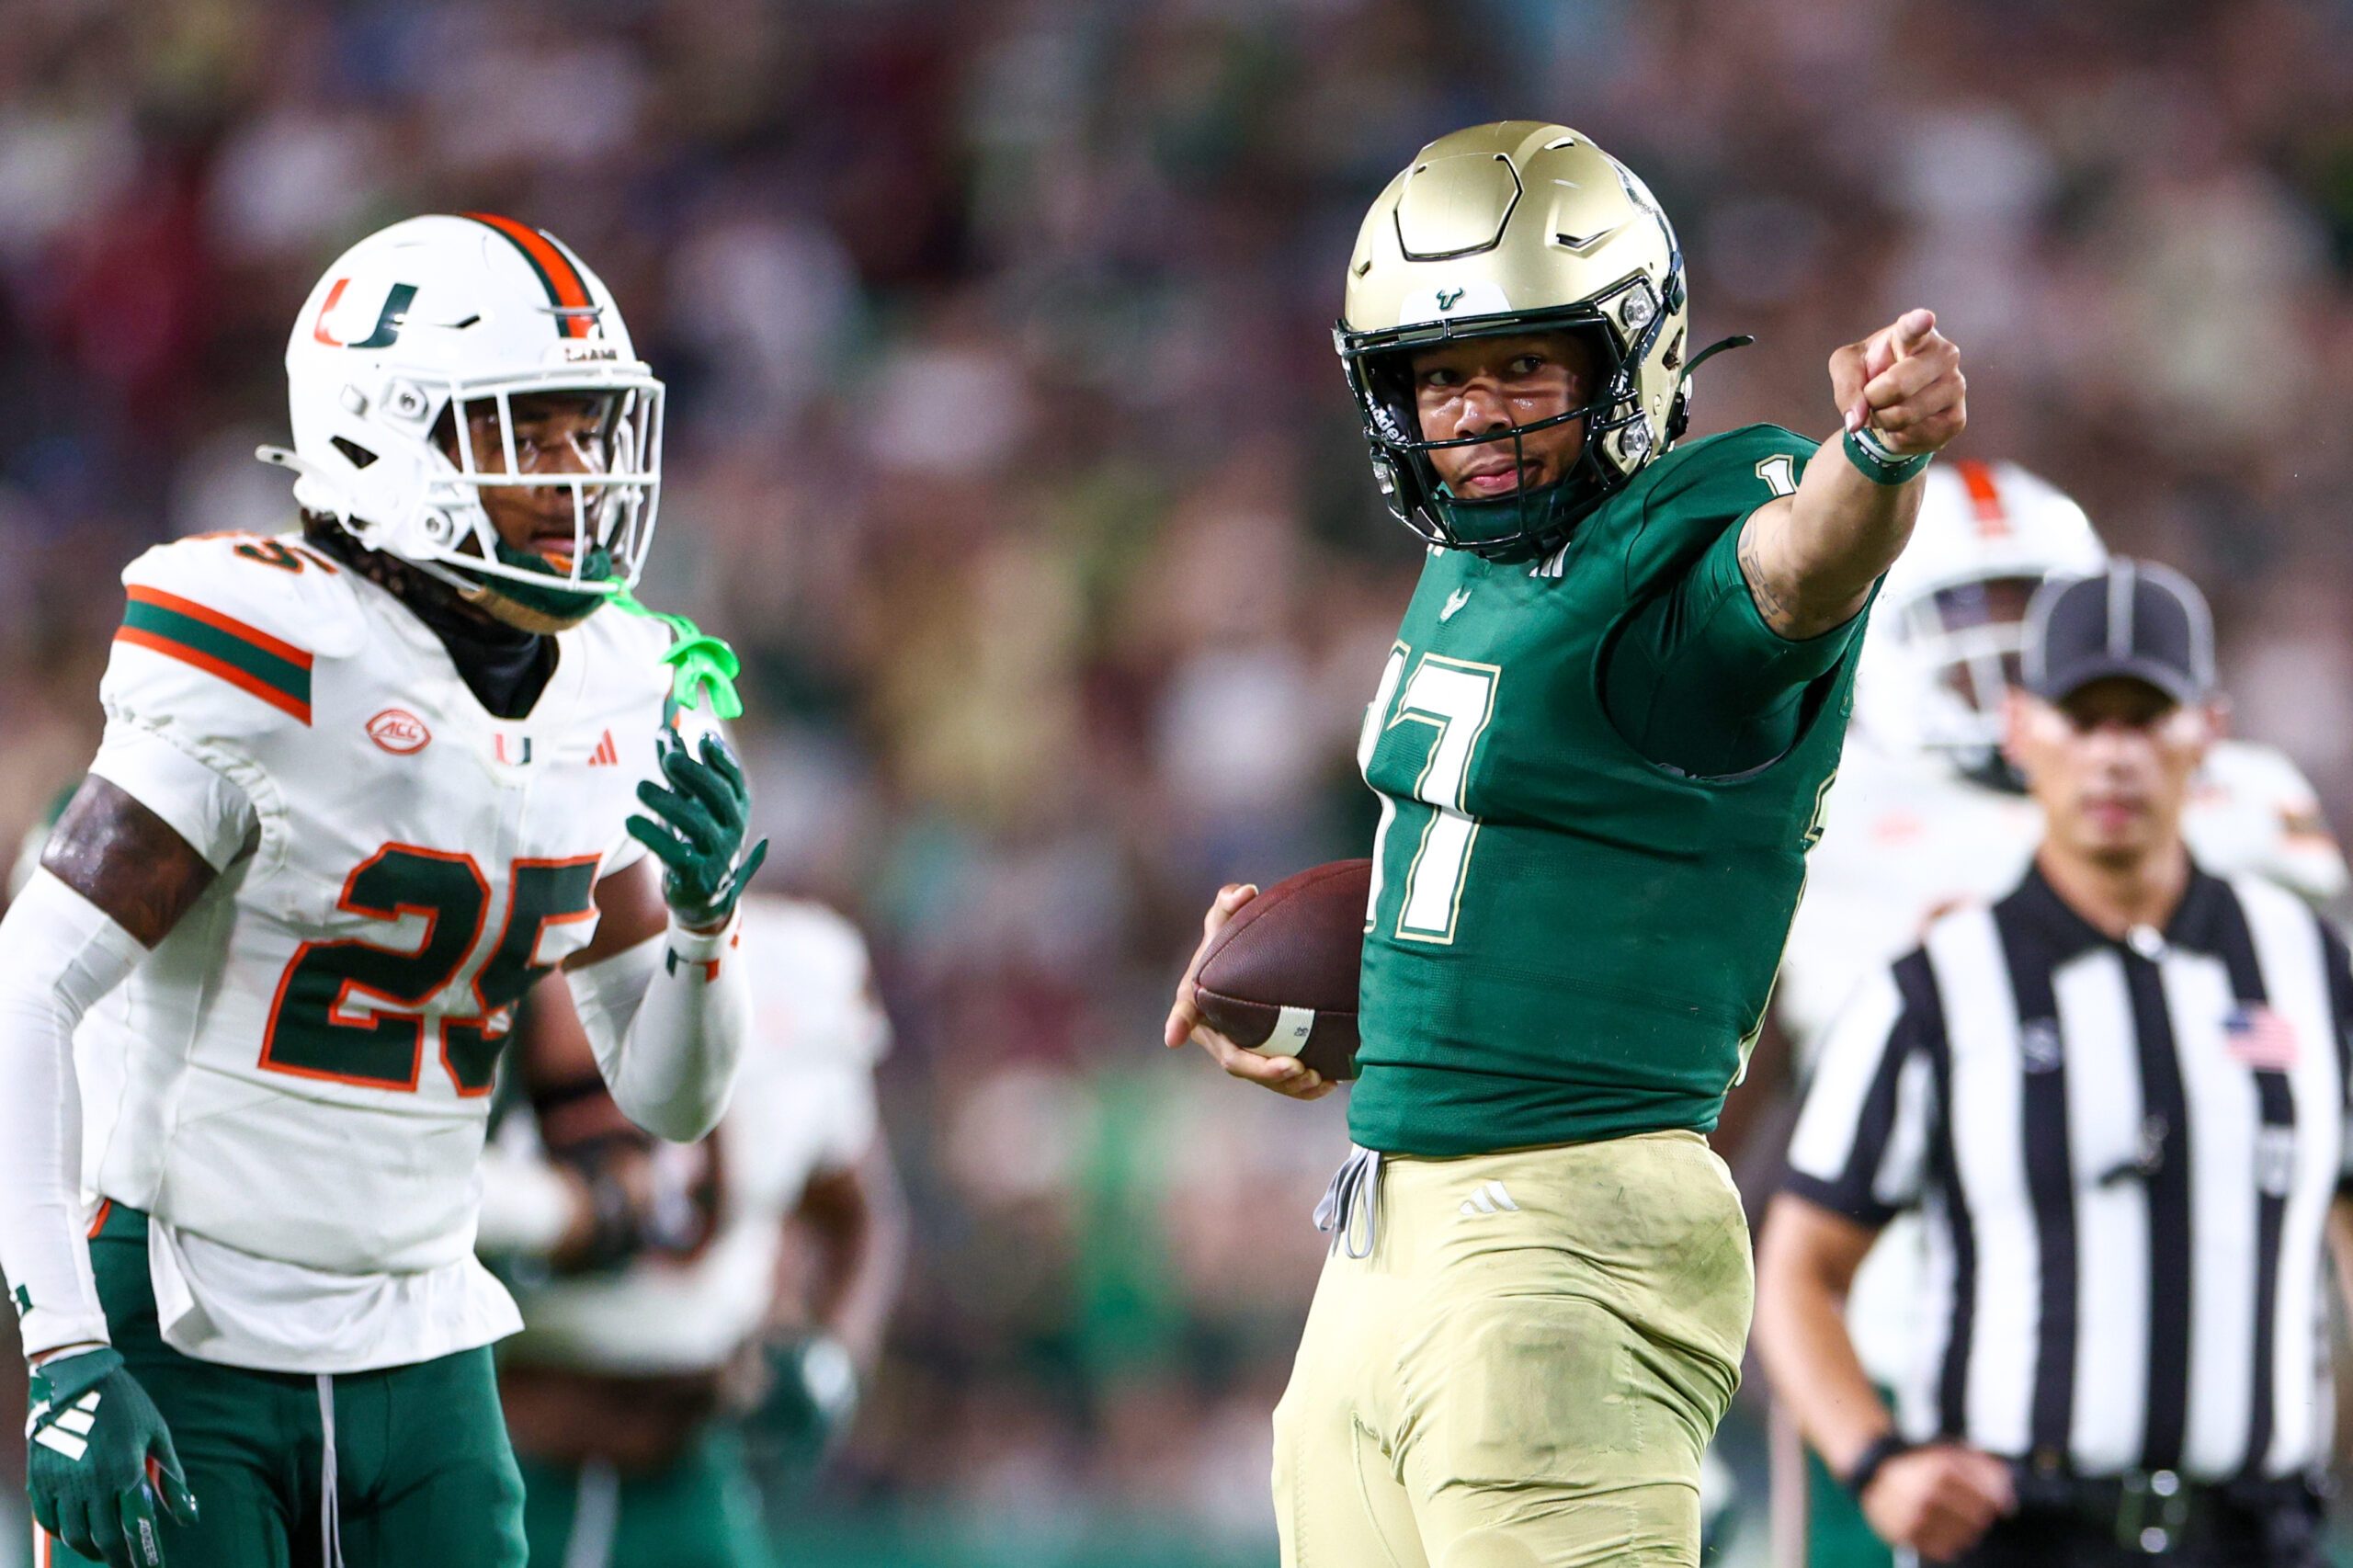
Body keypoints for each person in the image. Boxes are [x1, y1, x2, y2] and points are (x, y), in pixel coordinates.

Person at [1163, 120, 1966, 1565]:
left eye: (1522, 367)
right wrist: (1351, 991)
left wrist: (1876, 455)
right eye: (1438, 376)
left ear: (1629, 356)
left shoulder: (1699, 536)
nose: (1474, 413)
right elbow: (1523, 843)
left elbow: (1796, 572)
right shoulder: (1478, 568)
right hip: (1387, 1215)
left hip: (1566, 1227)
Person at [0, 213, 767, 1568]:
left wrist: (707, 931)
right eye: (527, 434)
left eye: (590, 434)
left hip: (421, 1325)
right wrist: (61, 1343)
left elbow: (670, 1095)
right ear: (380, 434)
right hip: (188, 1308)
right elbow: (28, 984)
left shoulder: (613, 684)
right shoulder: (274, 646)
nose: (577, 479)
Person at [1747, 460, 2347, 1568]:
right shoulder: (1829, 824)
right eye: (1972, 611)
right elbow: (1768, 1180)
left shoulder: (2269, 890)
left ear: (2200, 725)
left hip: (2243, 1474)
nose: (1998, 647)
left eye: (2027, 609)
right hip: (1913, 1377)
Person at [477, 890, 907, 1568]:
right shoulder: (498, 940)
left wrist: (833, 1358)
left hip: (692, 1454)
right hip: (506, 1441)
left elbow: (859, 1213)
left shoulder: (801, 966)